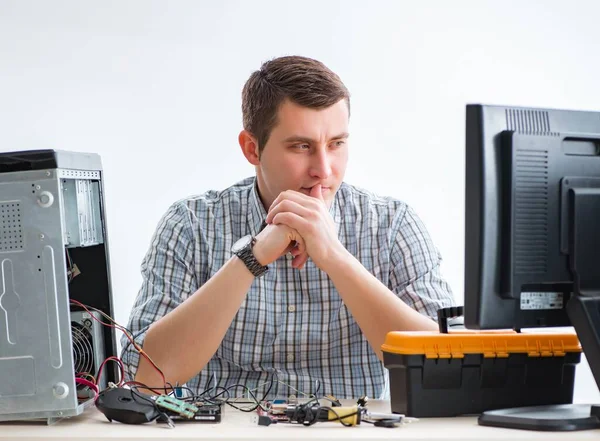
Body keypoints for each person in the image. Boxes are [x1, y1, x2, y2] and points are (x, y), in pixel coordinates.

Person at [121, 55, 455, 399]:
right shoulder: (191, 224)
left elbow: (447, 370)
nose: (324, 170)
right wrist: (253, 257)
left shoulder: (393, 225)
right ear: (253, 148)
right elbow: (143, 377)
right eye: (301, 146)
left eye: (337, 144)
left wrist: (335, 257)